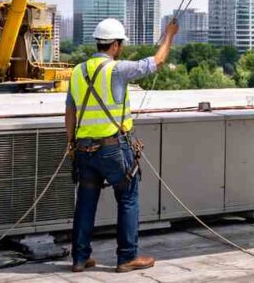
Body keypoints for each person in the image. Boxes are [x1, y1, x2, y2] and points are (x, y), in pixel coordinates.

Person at [65, 17, 179, 274]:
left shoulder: (77, 72)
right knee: (127, 197)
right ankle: (126, 257)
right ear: (115, 45)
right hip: (113, 149)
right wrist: (170, 34)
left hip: (84, 149)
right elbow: (156, 62)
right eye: (121, 44)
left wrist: (71, 144)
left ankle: (80, 258)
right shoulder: (117, 69)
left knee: (85, 201)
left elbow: (70, 112)